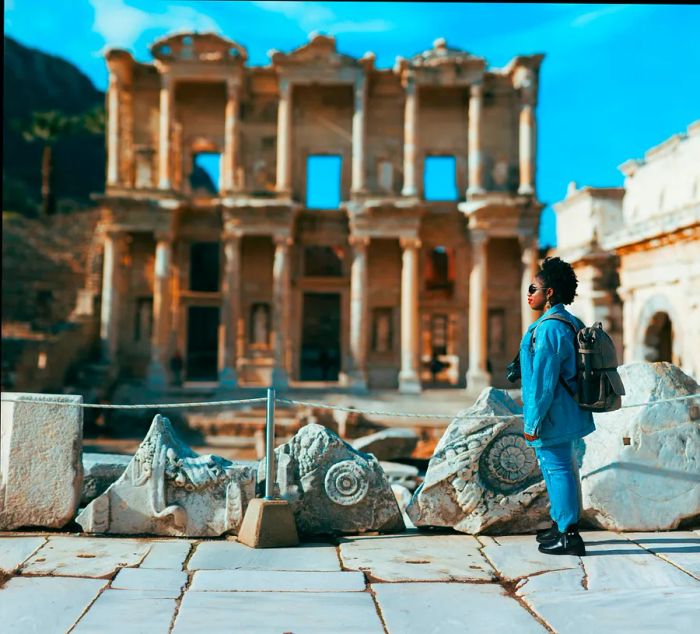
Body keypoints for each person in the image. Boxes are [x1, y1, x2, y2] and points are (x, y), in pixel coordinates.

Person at [520, 256, 594, 556]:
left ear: (549, 293)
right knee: (559, 468)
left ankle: (569, 534)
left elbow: (544, 382)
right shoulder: (570, 321)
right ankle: (560, 523)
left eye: (533, 288)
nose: (529, 294)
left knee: (558, 468)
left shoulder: (550, 328)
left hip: (553, 414)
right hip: (568, 410)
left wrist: (532, 423)